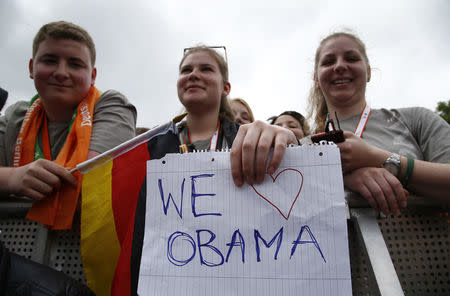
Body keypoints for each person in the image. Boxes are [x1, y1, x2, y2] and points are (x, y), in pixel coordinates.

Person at [125, 45, 297, 295]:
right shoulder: (149, 148)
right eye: (186, 70)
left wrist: (287, 139)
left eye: (206, 69)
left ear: (226, 87)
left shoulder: (247, 138)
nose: (193, 74)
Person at [0, 21, 136, 229]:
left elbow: (90, 183)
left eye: (75, 64)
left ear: (92, 76)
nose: (62, 72)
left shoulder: (111, 105)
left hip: (83, 252)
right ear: (31, 68)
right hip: (15, 248)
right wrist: (12, 179)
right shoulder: (15, 115)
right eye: (50, 60)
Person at [307, 31, 450, 216]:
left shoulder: (417, 119)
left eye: (351, 58)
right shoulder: (304, 146)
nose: (340, 66)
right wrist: (345, 177)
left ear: (368, 72)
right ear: (316, 78)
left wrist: (379, 159)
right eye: (328, 62)